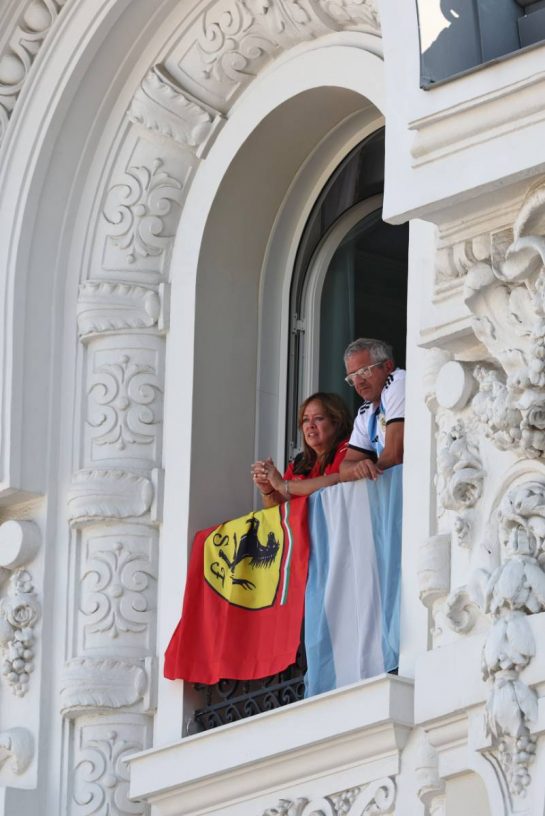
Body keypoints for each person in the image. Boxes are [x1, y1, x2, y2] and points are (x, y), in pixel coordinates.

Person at [252, 392, 352, 507]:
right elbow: (281, 508)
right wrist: (268, 490)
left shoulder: (348, 449)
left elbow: (338, 480)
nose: (310, 425)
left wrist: (283, 485)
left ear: (337, 423)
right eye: (305, 420)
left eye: (318, 418)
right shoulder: (299, 462)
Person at [340, 338, 405, 482]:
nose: (358, 382)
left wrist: (371, 473)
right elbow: (344, 471)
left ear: (388, 366)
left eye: (364, 371)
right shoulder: (365, 411)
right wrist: (358, 469)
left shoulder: (398, 382)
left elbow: (395, 455)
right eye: (352, 377)